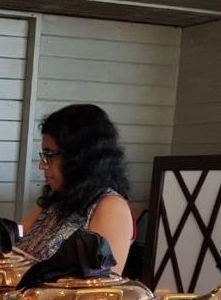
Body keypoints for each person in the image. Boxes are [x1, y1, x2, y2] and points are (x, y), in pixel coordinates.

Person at [18, 104, 134, 274]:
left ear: (79, 157)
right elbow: (17, 237)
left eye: (49, 155)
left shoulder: (110, 207)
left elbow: (101, 284)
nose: (42, 165)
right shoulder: (57, 199)